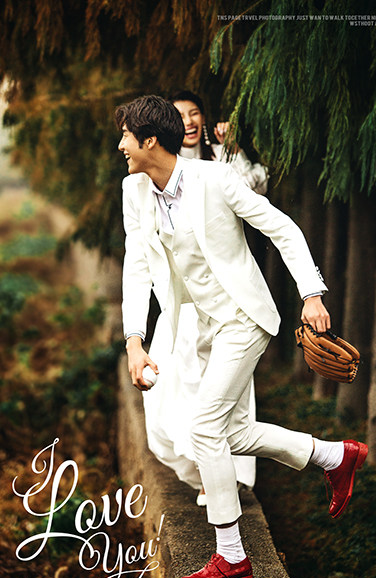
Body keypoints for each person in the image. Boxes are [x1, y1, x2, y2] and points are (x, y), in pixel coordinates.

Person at [115, 95, 368, 578]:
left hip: (244, 318)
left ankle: (231, 555)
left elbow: (282, 228)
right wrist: (134, 341)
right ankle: (334, 457)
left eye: (126, 135)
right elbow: (137, 266)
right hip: (201, 324)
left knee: (204, 428)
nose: (120, 145)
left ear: (150, 140)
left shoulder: (216, 179)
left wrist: (312, 294)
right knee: (231, 433)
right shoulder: (134, 190)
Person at [141, 91, 269, 508]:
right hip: (180, 304)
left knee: (221, 392)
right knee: (170, 388)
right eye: (180, 116)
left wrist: (234, 149)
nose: (190, 122)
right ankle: (200, 469)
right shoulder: (152, 176)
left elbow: (257, 191)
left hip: (223, 298)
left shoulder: (219, 162)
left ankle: (221, 480)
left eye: (195, 112)